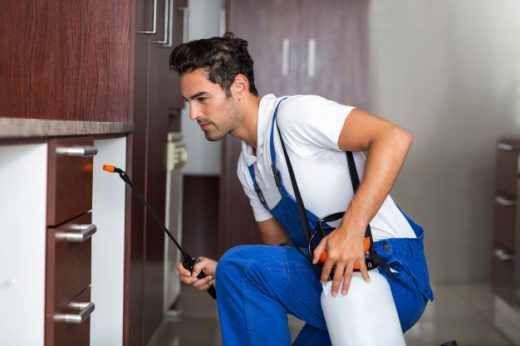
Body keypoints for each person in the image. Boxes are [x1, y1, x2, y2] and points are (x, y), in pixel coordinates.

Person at [170, 32, 433, 345]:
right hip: (335, 281)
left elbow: (393, 138)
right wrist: (223, 274)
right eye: (188, 102)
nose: (193, 114)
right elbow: (280, 257)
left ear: (239, 86)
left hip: (389, 272)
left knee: (238, 265)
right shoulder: (249, 168)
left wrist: (351, 230)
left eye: (201, 99)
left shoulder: (294, 116)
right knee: (237, 269)